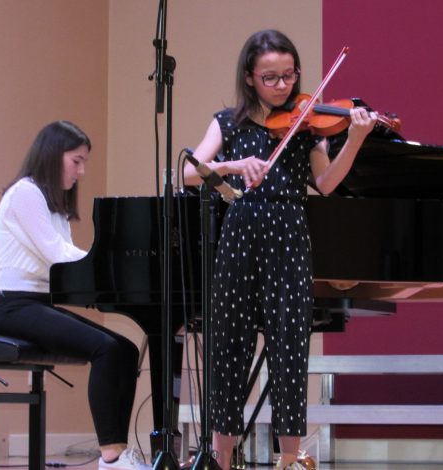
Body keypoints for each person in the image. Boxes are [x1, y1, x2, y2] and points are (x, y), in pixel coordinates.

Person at [182, 30, 377, 470]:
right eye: (270, 77)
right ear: (249, 77)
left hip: (290, 235)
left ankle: (291, 459)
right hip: (240, 233)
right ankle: (222, 457)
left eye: (289, 75)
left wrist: (357, 140)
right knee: (229, 345)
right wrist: (232, 166)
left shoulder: (306, 125)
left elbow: (325, 185)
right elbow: (192, 173)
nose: (282, 86)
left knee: (290, 347)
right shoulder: (227, 122)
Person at [0, 120, 146, 470]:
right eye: (77, 160)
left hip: (37, 303)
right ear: (54, 155)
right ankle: (111, 455)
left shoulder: (52, 206)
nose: (82, 170)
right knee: (104, 348)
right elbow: (57, 254)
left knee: (127, 349)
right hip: (10, 305)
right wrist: (108, 264)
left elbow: (64, 265)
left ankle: (116, 450)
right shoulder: (25, 193)